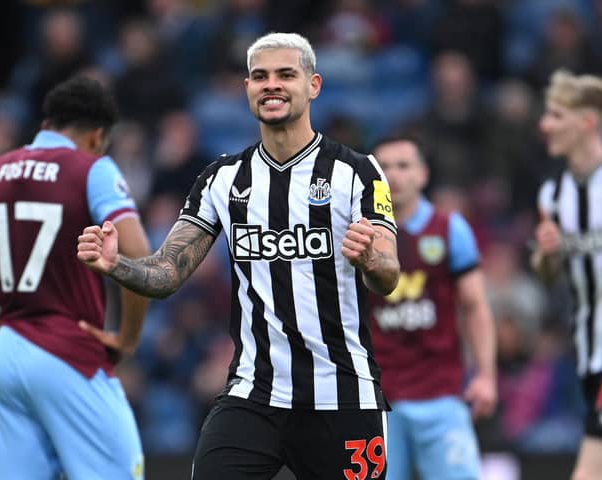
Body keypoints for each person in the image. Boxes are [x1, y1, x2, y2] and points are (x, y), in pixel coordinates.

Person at [78, 32, 400, 480]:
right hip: (254, 395)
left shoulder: (358, 172)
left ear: (314, 85)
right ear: (247, 88)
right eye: (259, 76)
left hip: (343, 396)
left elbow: (389, 274)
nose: (272, 85)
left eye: (286, 75)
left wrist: (371, 259)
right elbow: (167, 273)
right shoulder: (221, 179)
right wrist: (117, 265)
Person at [0, 75, 150, 479]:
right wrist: (126, 338)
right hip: (68, 351)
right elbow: (139, 255)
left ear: (45, 126)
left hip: (5, 359)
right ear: (97, 136)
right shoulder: (92, 169)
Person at [368, 136, 497, 480]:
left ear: (422, 174)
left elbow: (475, 306)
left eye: (403, 165)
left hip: (441, 394)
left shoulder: (450, 229)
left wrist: (485, 375)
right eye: (383, 167)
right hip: (376, 400)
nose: (393, 175)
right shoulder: (358, 235)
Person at [532, 69, 602, 480]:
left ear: (587, 121)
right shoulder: (551, 194)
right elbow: (548, 275)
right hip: (591, 354)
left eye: (555, 115)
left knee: (590, 473)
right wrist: (548, 255)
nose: (544, 124)